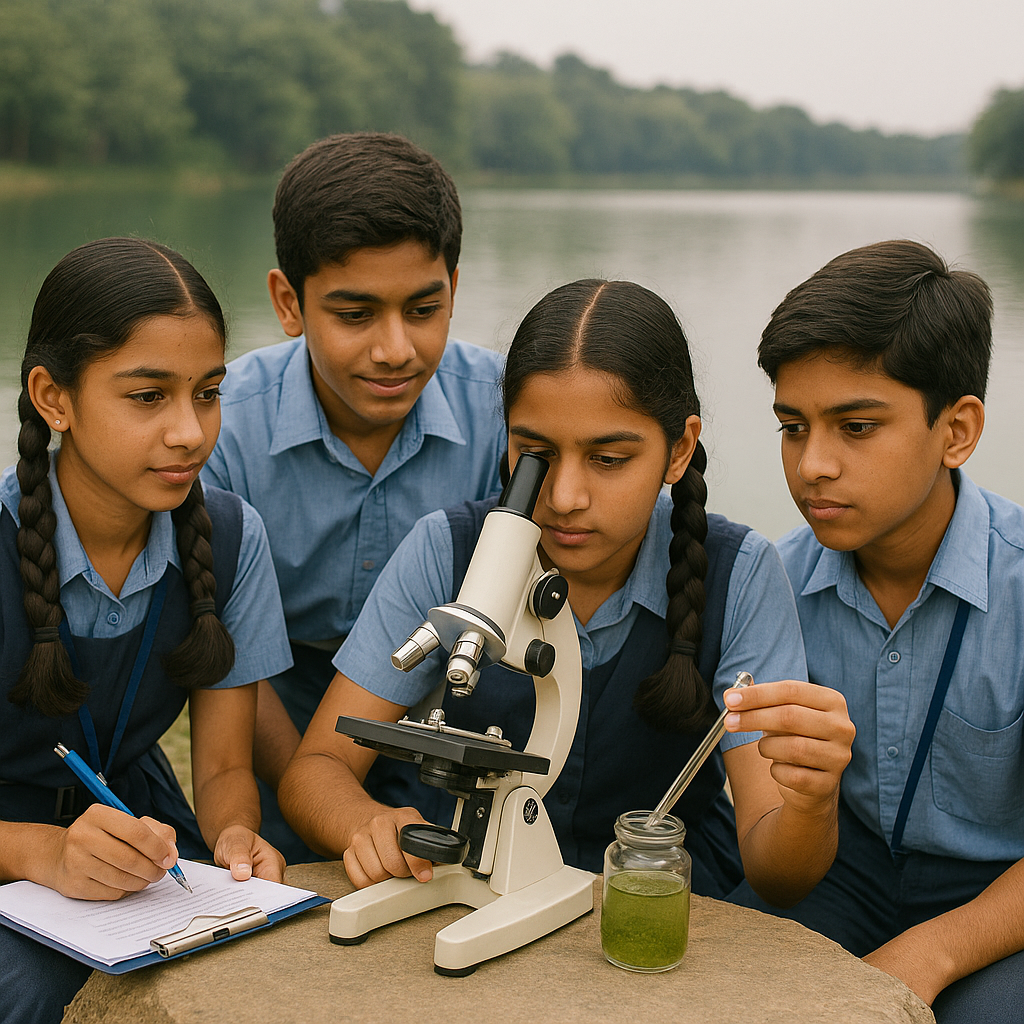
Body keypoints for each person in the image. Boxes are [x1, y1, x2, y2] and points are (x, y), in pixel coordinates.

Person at [278, 278, 855, 901]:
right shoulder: (444, 549)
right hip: (460, 886)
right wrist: (363, 823)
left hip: (655, 904)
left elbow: (780, 874)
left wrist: (810, 804)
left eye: (609, 459)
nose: (564, 498)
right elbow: (317, 769)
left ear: (679, 449)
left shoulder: (739, 574)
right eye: (537, 454)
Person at [0, 237, 293, 1024]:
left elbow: (226, 766)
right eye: (147, 397)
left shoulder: (234, 538)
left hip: (141, 847)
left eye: (208, 392)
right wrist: (47, 852)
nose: (190, 432)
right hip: (10, 850)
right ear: (52, 398)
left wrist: (234, 837)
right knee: (25, 990)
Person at [740, 239, 1024, 1023]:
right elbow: (776, 858)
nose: (813, 466)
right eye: (792, 428)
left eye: (856, 427)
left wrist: (927, 953)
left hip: (999, 896)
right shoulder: (773, 582)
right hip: (843, 876)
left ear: (957, 431)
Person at [201, 134, 506, 845]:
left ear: (453, 289)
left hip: (452, 696)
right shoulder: (223, 430)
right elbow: (227, 652)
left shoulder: (506, 411)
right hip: (270, 695)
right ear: (288, 301)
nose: (395, 348)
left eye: (423, 310)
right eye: (355, 314)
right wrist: (320, 792)